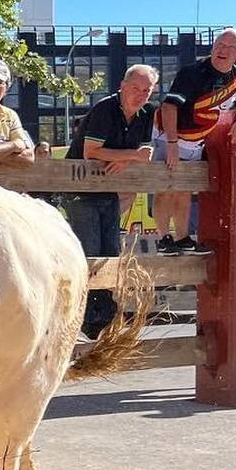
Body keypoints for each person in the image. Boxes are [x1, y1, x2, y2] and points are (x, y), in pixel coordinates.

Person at [60, 65, 159, 339]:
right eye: (135, 88)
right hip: (81, 189)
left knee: (110, 254)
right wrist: (130, 156)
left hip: (108, 190)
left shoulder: (147, 113)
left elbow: (145, 153)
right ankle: (83, 317)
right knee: (90, 253)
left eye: (146, 90)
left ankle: (102, 315)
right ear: (122, 85)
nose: (140, 95)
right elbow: (92, 152)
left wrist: (122, 157)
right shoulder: (105, 109)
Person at [153, 27, 236, 256]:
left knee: (185, 190)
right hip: (171, 137)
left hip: (197, 142)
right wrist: (171, 144)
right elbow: (169, 107)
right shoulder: (193, 73)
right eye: (220, 44)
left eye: (230, 47)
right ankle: (162, 238)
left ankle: (182, 238)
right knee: (165, 188)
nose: (223, 50)